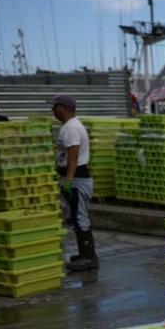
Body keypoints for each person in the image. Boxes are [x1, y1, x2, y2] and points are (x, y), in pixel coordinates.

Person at [51, 94, 97, 272]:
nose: (53, 111)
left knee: (80, 217)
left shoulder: (71, 128)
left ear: (64, 108)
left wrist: (69, 179)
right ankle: (86, 255)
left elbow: (73, 154)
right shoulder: (71, 126)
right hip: (75, 177)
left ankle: (88, 257)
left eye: (55, 107)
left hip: (77, 178)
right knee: (77, 217)